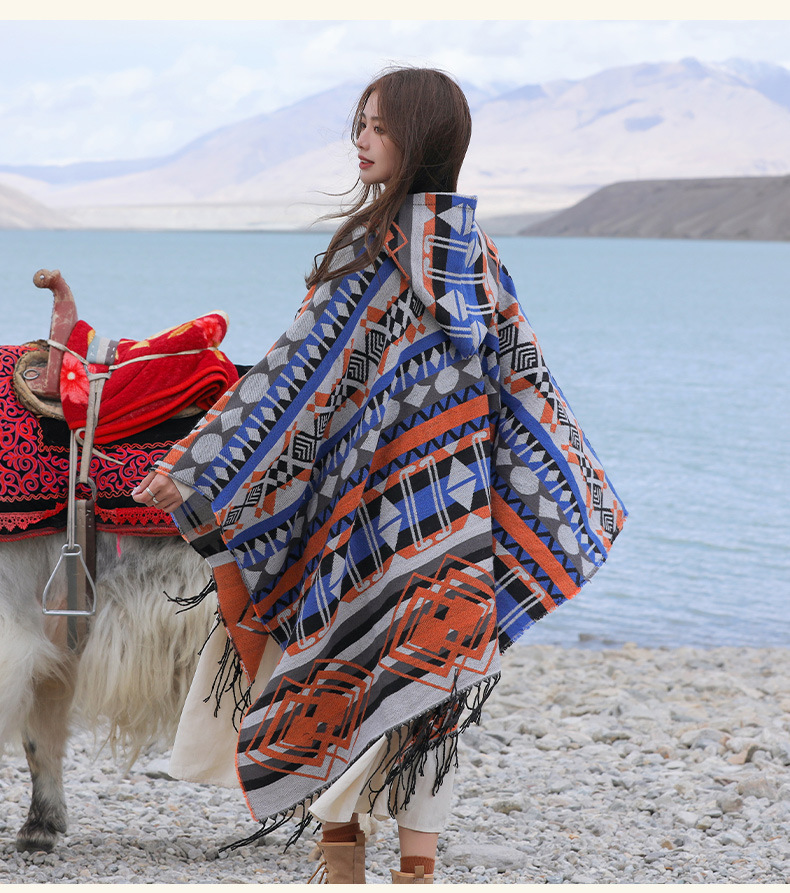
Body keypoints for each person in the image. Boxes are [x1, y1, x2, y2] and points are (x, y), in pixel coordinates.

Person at [133, 67, 626, 884]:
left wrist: (200, 463)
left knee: (340, 669)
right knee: (434, 687)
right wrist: (559, 485)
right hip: (456, 521)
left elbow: (292, 378)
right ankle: (412, 871)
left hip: (362, 515)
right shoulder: (476, 254)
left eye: (380, 127)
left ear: (422, 137)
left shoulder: (370, 254)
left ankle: (346, 866)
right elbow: (526, 388)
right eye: (359, 126)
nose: (362, 141)